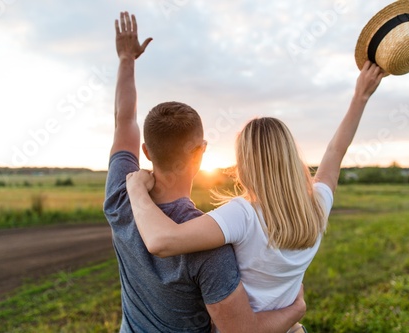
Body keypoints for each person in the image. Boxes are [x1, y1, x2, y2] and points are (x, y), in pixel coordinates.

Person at [126, 61, 385, 331]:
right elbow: (336, 150)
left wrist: (134, 188)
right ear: (290, 157)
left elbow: (161, 241)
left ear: (245, 165)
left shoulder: (243, 215)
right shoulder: (318, 204)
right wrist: (360, 97)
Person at [104, 11, 306, 332]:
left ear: (145, 152)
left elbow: (124, 119)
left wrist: (127, 58)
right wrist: (296, 310)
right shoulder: (207, 243)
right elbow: (240, 331)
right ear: (201, 152)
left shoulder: (120, 193)